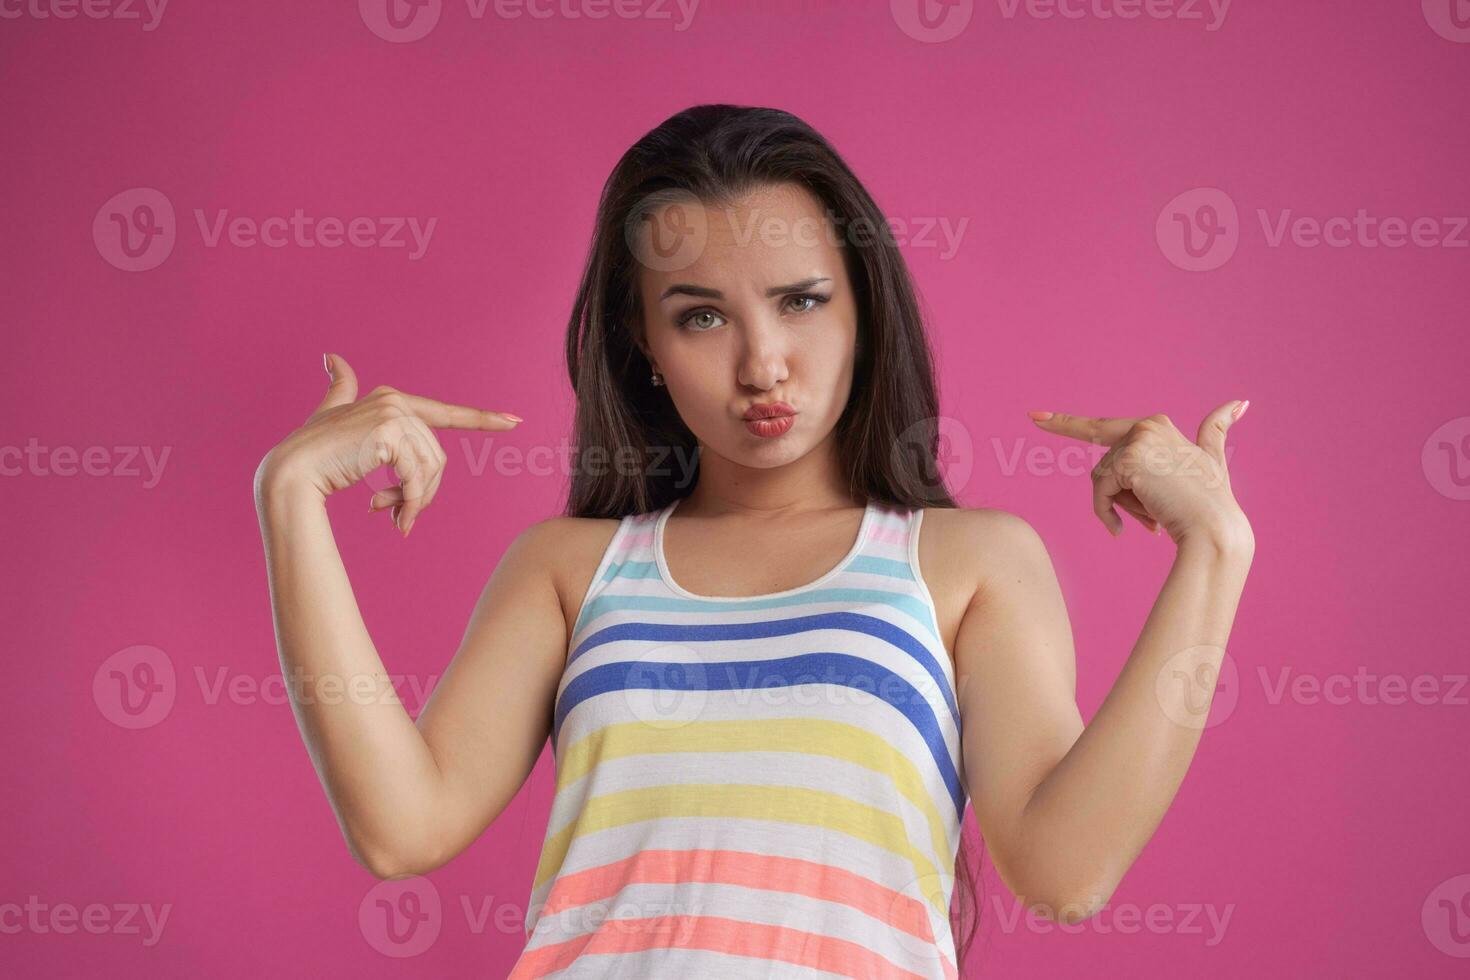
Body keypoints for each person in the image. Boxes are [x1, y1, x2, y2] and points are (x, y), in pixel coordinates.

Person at [252, 104, 1255, 979]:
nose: (762, 363)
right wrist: (289, 493)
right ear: (644, 343)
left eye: (801, 299)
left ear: (863, 305)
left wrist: (1213, 549)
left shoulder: (966, 560)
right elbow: (398, 825)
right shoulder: (567, 569)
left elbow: (1065, 869)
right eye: (700, 317)